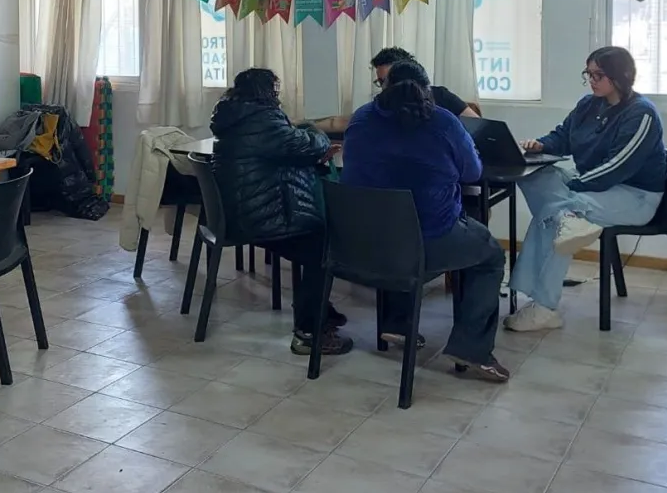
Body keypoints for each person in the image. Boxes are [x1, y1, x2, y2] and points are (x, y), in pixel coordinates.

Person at [340, 60, 510, 382]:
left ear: (384, 86)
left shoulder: (361, 118)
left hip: (363, 244)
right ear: (426, 89)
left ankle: (398, 323)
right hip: (426, 241)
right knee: (488, 255)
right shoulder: (442, 121)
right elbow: (472, 172)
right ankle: (471, 348)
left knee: (397, 232)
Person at [503, 46, 667, 332]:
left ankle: (544, 308)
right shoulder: (588, 104)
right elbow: (563, 136)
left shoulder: (641, 114)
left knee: (555, 218)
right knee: (535, 176)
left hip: (634, 195)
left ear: (621, 76)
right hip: (592, 184)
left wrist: (574, 187)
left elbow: (617, 167)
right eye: (588, 74)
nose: (592, 80)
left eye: (598, 75)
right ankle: (568, 217)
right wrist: (540, 146)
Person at [210, 68, 353, 355]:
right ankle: (309, 331)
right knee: (323, 247)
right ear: (268, 92)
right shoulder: (263, 119)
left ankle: (320, 311)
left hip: (241, 214)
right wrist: (315, 134)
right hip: (262, 220)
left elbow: (284, 150)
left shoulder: (232, 118)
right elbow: (305, 142)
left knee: (318, 240)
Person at [308, 46, 478, 135]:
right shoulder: (380, 107)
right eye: (381, 82)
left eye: (390, 80)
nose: (385, 88)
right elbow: (342, 123)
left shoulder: (441, 100)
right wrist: (300, 126)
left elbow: (477, 126)